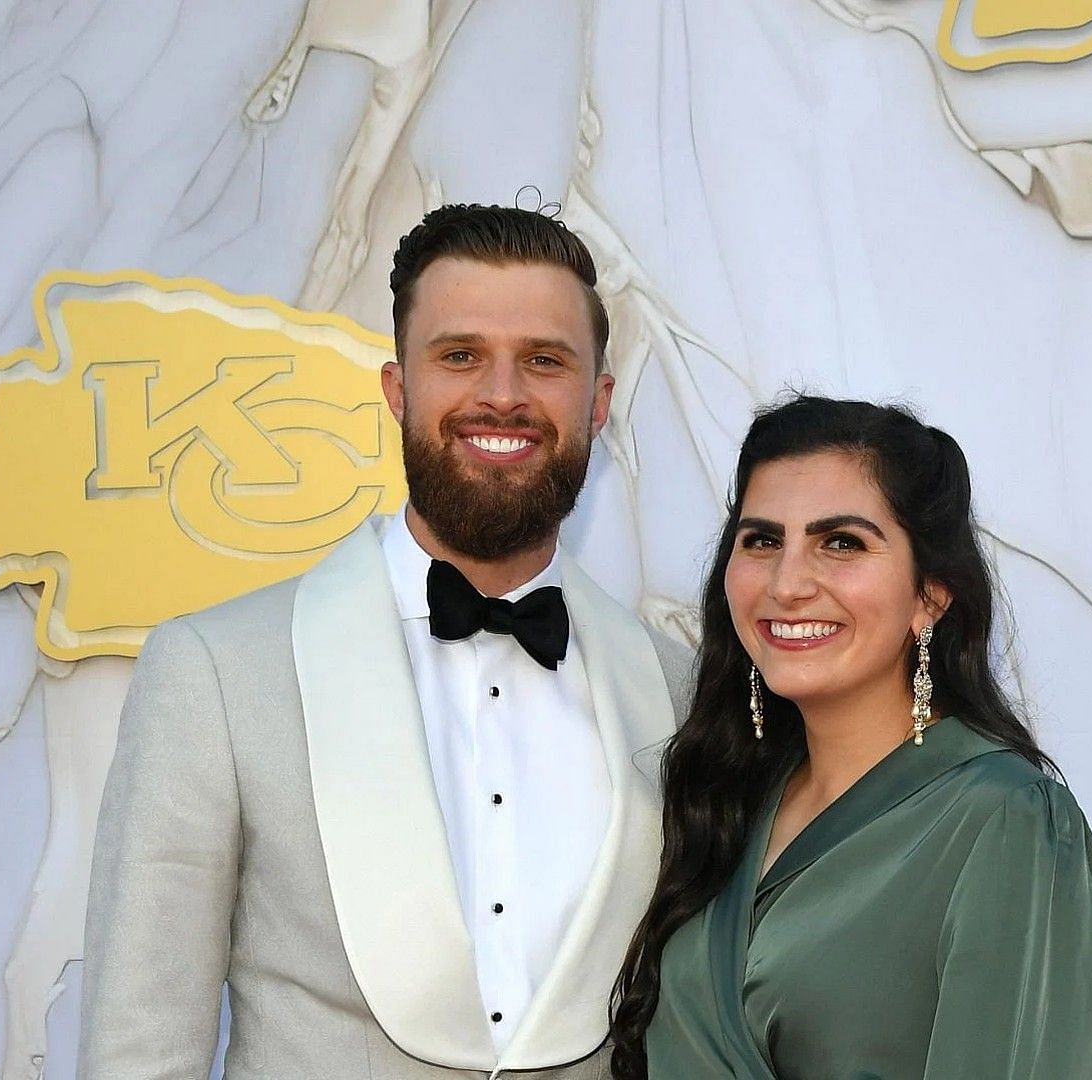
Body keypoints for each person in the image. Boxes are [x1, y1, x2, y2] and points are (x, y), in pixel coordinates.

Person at [79, 204, 692, 1079]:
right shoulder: (216, 674)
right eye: (459, 356)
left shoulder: (675, 689)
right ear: (397, 390)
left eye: (544, 362)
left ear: (597, 404)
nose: (503, 395)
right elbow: (138, 1046)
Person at [611, 396, 1092, 1079]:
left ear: (929, 595)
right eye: (761, 540)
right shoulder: (728, 794)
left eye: (840, 542)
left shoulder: (1008, 822)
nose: (787, 584)